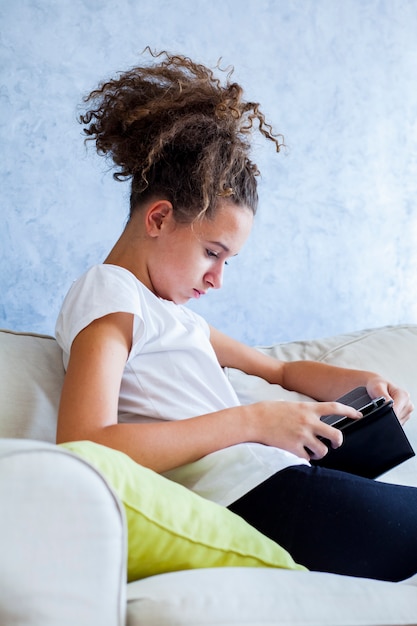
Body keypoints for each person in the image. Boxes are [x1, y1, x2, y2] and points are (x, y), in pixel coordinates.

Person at [55, 49, 416, 583]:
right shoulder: (109, 292)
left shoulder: (175, 318)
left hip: (282, 479)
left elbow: (280, 371)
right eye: (212, 252)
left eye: (228, 261)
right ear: (159, 217)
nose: (217, 278)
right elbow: (86, 444)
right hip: (256, 496)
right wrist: (252, 422)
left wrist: (364, 383)